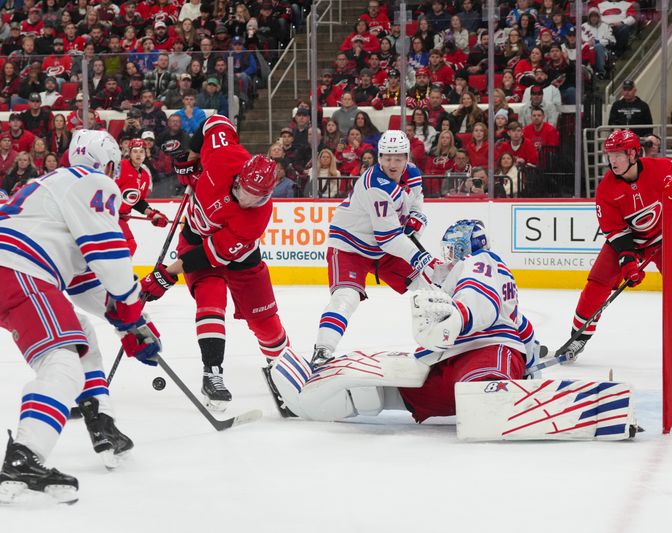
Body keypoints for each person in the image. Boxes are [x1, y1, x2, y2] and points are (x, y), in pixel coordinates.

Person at [0, 130, 161, 503]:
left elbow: (86, 280)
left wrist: (130, 322)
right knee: (62, 365)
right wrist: (132, 311)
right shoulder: (93, 182)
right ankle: (25, 456)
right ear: (106, 164)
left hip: (16, 269)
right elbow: (109, 256)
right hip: (18, 270)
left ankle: (101, 421)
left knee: (81, 335)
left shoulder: (53, 188)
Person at [268, 219, 545, 426]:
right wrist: (531, 364)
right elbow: (521, 325)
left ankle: (499, 397)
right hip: (459, 357)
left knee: (477, 387)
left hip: (487, 352)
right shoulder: (488, 274)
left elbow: (480, 300)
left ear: (464, 247)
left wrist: (457, 317)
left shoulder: (479, 262)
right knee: (411, 388)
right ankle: (320, 400)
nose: (447, 256)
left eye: (451, 249)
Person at [139, 116, 289, 410]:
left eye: (255, 197)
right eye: (244, 191)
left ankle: (284, 368)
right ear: (240, 174)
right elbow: (216, 122)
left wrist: (165, 276)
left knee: (265, 322)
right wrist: (192, 158)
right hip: (195, 237)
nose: (246, 200)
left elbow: (208, 255)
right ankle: (213, 373)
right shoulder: (226, 156)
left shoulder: (255, 218)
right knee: (211, 299)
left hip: (234, 257)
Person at [560, 129, 672, 362]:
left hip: (663, 236)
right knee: (598, 281)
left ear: (632, 154)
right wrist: (628, 261)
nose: (613, 161)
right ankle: (578, 337)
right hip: (630, 241)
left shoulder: (661, 168)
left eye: (618, 155)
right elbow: (616, 232)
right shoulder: (606, 190)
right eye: (610, 155)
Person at [310, 130, 438, 367]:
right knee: (346, 297)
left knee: (430, 286)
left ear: (407, 157)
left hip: (384, 248)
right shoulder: (375, 185)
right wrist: (421, 257)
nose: (392, 163)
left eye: (398, 158)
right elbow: (388, 239)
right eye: (387, 157)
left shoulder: (412, 173)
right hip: (350, 246)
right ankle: (322, 351)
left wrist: (418, 217)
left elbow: (417, 199)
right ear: (379, 157)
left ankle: (449, 340)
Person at [116, 138, 168, 255]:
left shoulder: (145, 176)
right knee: (128, 245)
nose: (138, 154)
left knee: (129, 246)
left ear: (146, 153)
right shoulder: (120, 167)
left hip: (120, 218)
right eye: (135, 151)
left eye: (141, 151)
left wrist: (152, 214)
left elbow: (137, 201)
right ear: (129, 152)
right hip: (109, 216)